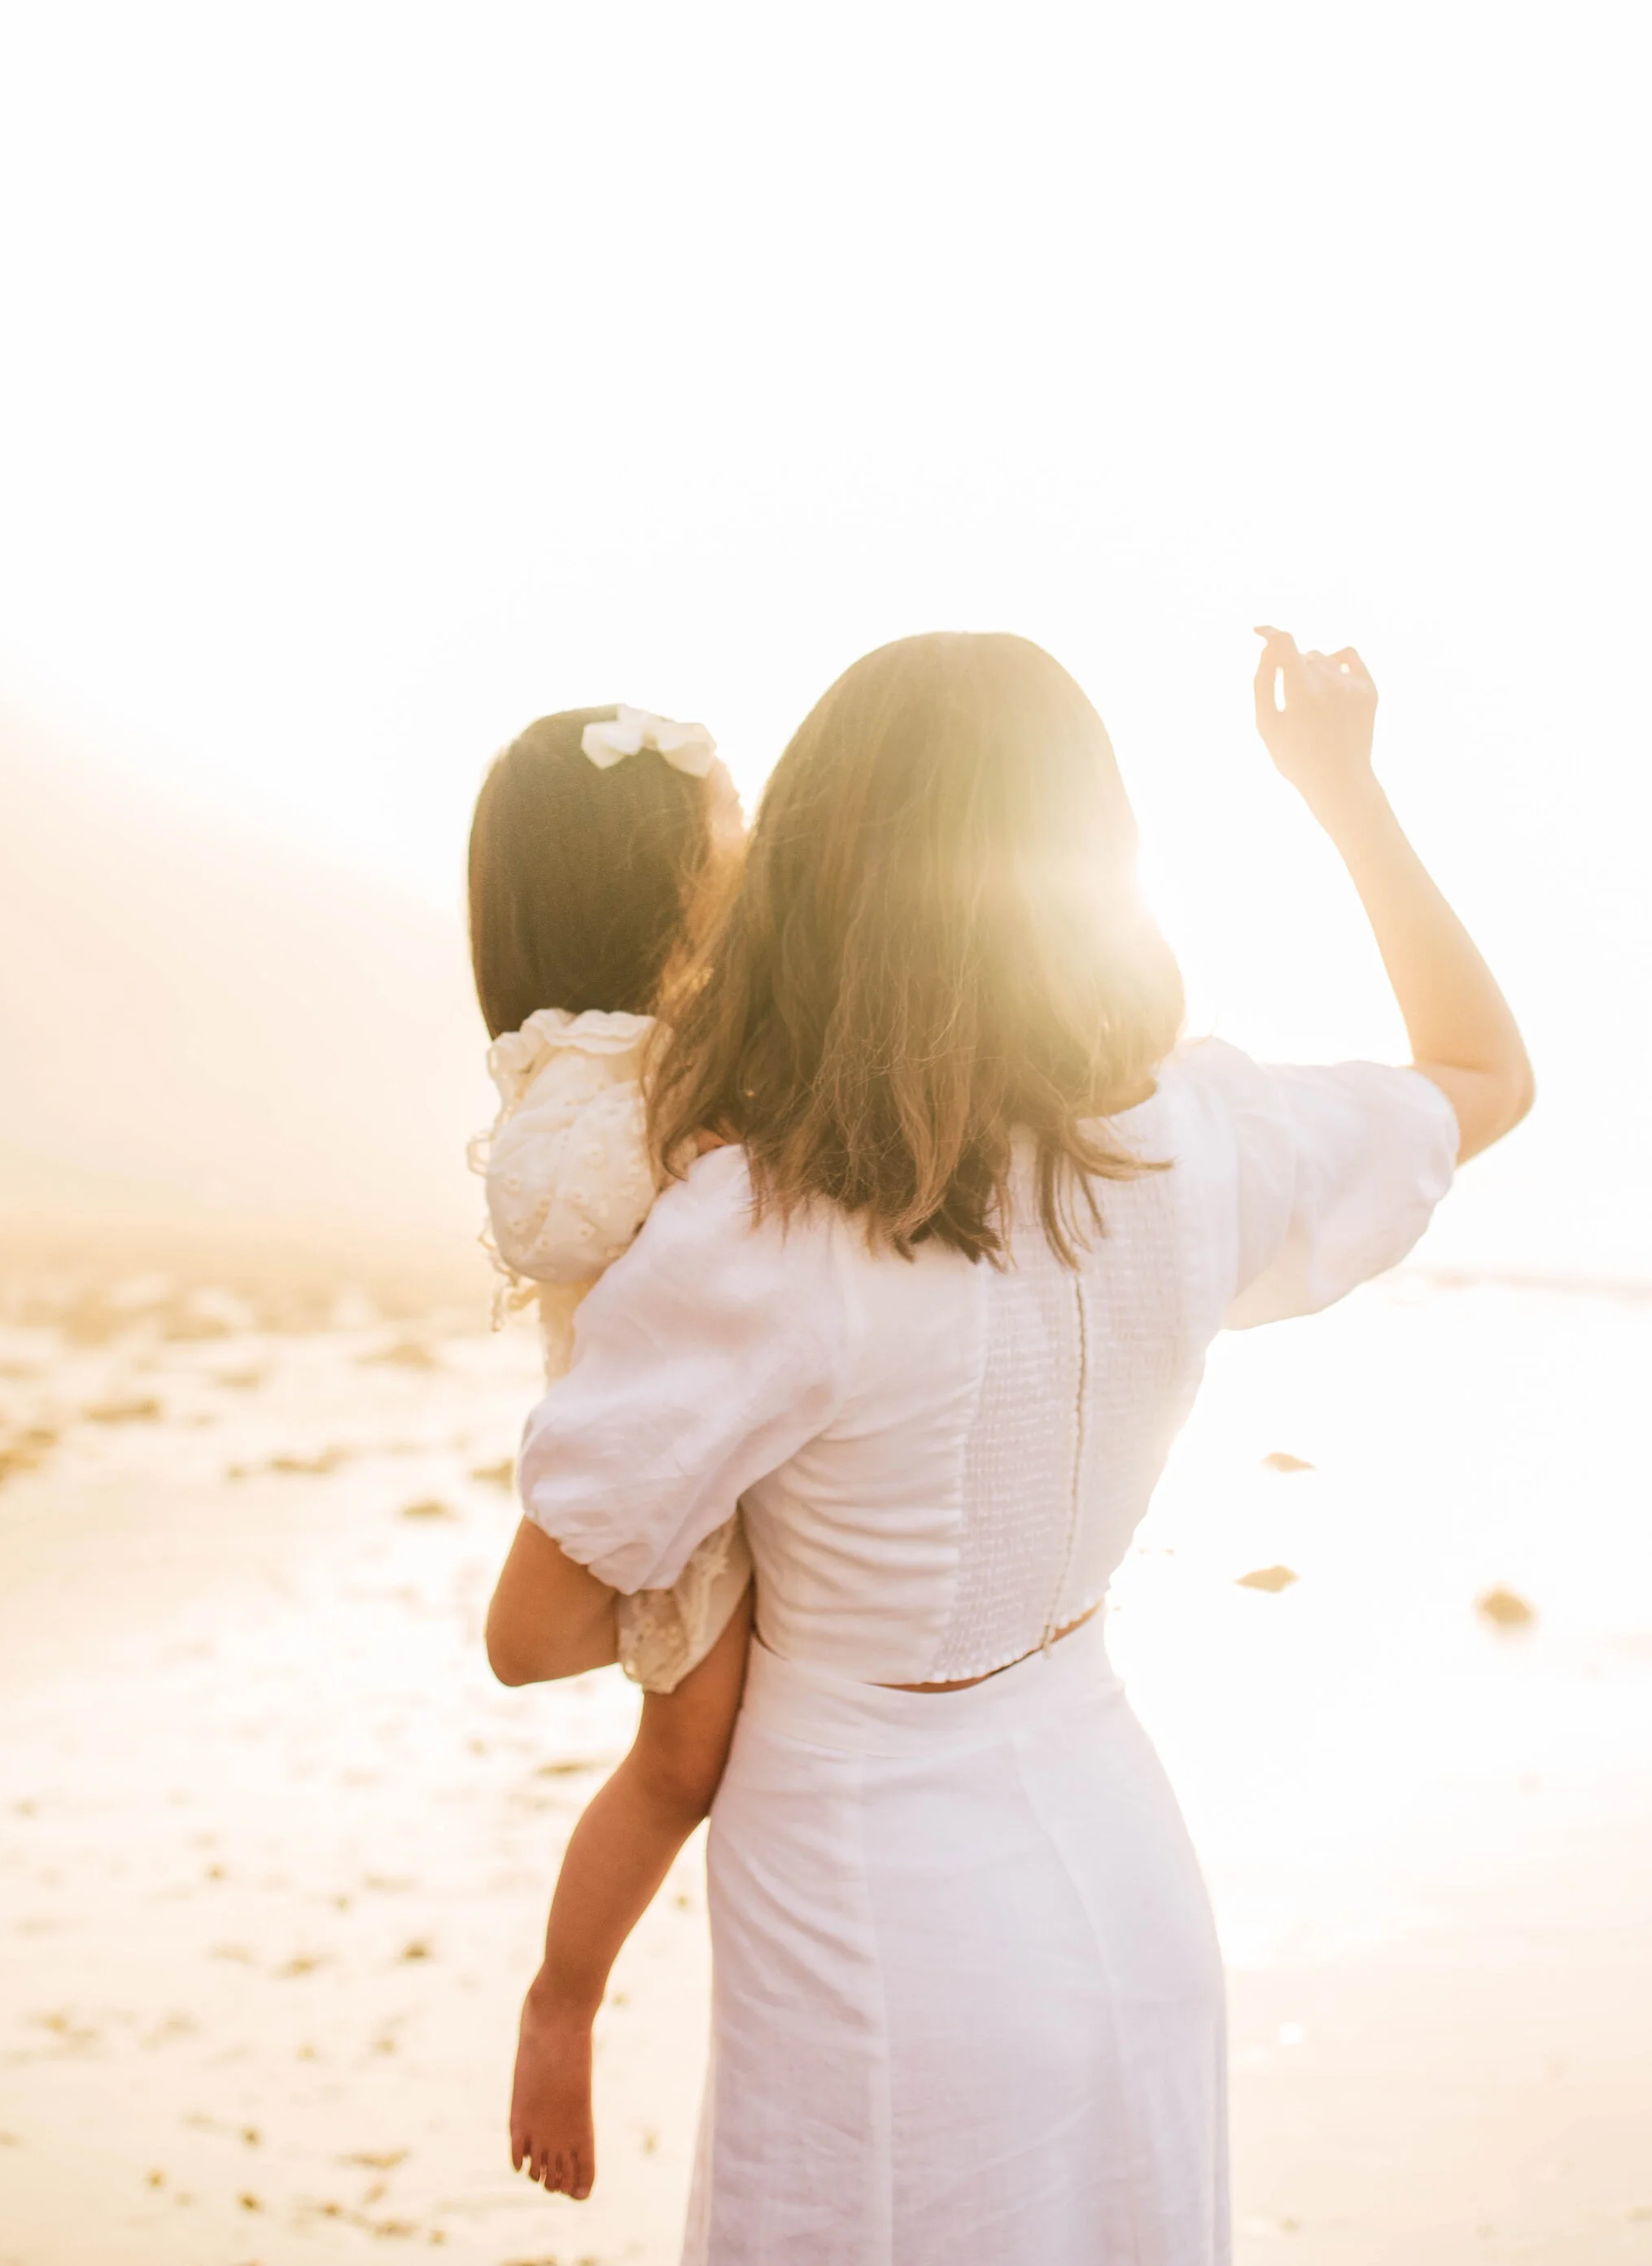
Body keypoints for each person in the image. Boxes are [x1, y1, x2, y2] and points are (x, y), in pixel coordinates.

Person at [486, 629, 1533, 2264]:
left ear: (815, 873)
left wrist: (748, 1561)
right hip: (1117, 1851)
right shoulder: (1191, 1137)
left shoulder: (752, 1229)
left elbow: (537, 1629)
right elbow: (1481, 1073)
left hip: (878, 1913)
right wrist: (1342, 793)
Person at [466, 702, 756, 2201]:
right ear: (651, 880)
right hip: (657, 1448)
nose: (753, 843)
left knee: (694, 1753)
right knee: (679, 1759)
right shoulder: (594, 1072)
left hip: (715, 1430)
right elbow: (554, 1217)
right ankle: (560, 2002)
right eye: (724, 827)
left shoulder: (688, 1040)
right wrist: (693, 1148)